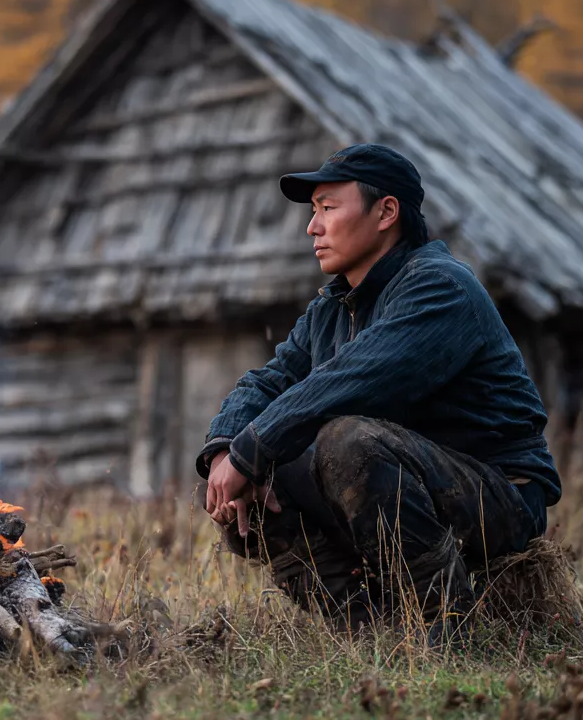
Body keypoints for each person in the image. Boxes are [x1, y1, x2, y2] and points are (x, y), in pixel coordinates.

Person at [195, 144, 559, 641]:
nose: (312, 227)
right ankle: (368, 632)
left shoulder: (440, 287)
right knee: (247, 480)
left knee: (346, 441)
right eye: (313, 211)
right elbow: (267, 381)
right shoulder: (331, 307)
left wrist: (251, 450)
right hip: (402, 485)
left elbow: (354, 381)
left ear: (386, 212)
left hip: (497, 494)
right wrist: (224, 452)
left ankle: (444, 627)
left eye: (328, 208)